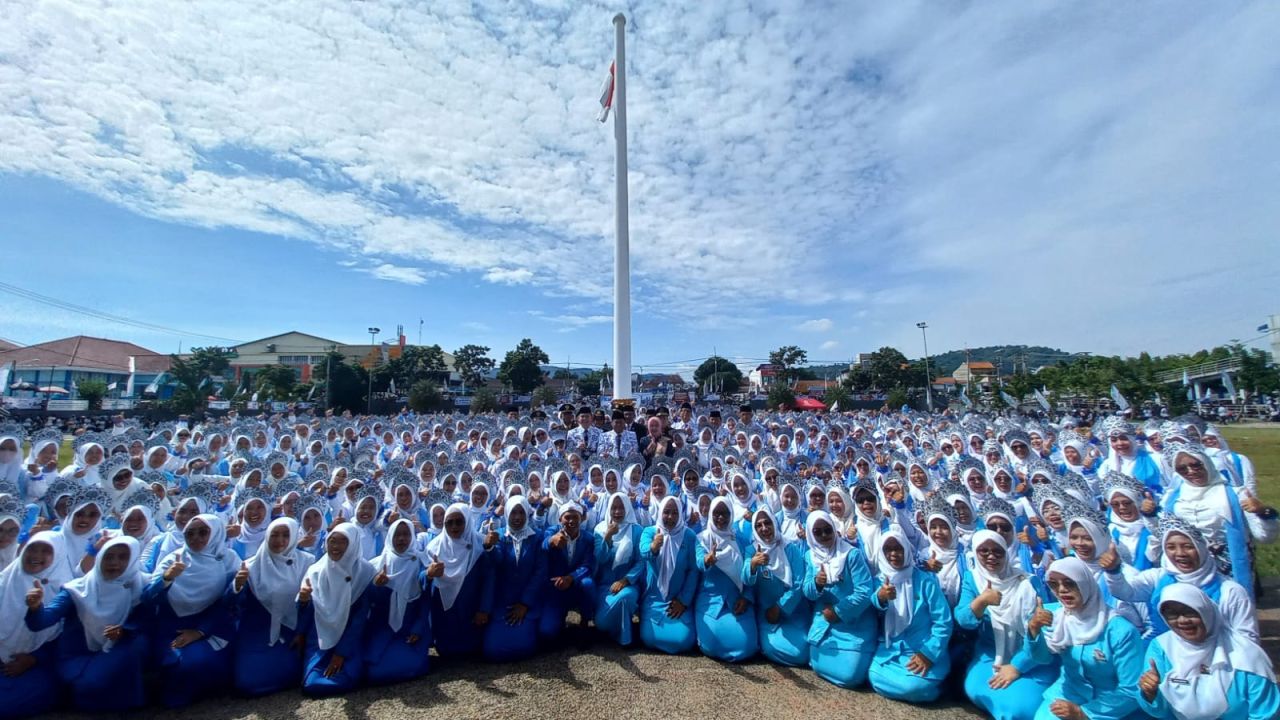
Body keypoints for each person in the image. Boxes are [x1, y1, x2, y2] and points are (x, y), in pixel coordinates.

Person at [24, 536, 149, 712]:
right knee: (87, 683)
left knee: (135, 646)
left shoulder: (142, 584)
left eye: (122, 557)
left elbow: (146, 620)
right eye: (108, 556)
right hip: (79, 654)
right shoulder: (77, 589)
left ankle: (126, 698)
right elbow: (41, 622)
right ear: (99, 558)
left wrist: (125, 631)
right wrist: (36, 608)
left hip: (120, 646)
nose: (114, 563)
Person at [1026, 557, 1144, 720]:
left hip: (1113, 706)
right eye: (1053, 584)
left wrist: (1083, 713)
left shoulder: (1120, 631)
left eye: (1069, 583)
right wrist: (1034, 629)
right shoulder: (1055, 617)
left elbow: (1131, 690)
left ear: (1085, 584)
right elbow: (1042, 659)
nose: (1062, 590)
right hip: (1068, 693)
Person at [1138, 584, 1278, 720]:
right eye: (1172, 615)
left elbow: (1265, 713)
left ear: (1206, 611)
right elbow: (1159, 711)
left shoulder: (1246, 654)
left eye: (1189, 612)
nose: (1182, 620)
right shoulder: (1161, 647)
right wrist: (1150, 692)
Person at [955, 530, 1055, 720]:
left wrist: (1017, 666)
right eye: (984, 551)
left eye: (997, 551)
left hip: (1031, 655)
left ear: (1006, 553)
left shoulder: (1027, 582)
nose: (991, 556)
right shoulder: (973, 578)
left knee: (1019, 708)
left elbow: (1045, 630)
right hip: (990, 654)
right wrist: (981, 601)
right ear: (975, 552)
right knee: (976, 689)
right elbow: (964, 621)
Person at [146, 513, 240, 707]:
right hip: (172, 628)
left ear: (215, 533)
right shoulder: (174, 559)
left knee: (199, 661)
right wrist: (166, 579)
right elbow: (148, 598)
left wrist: (200, 631)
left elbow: (230, 604)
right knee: (177, 661)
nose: (196, 538)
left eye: (203, 532)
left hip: (213, 626)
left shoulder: (228, 560)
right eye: (190, 533)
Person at [868, 528, 953, 702]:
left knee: (913, 686)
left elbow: (943, 622)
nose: (893, 554)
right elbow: (873, 609)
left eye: (898, 548)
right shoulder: (879, 580)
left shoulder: (925, 581)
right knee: (874, 675)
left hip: (922, 648)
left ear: (906, 550)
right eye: (888, 549)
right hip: (892, 649)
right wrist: (880, 598)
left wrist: (928, 654)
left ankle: (936, 687)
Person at [230, 517, 309, 696]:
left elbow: (314, 606)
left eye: (286, 535)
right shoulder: (250, 566)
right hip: (257, 632)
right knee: (247, 682)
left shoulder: (306, 562)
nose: (279, 540)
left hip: (292, 631)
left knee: (291, 671)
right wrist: (237, 586)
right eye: (274, 535)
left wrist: (302, 631)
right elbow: (233, 605)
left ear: (294, 537)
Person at [298, 522, 376, 696]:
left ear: (353, 544)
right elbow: (309, 611)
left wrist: (341, 652)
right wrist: (303, 601)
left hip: (351, 639)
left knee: (346, 677)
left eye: (343, 542)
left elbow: (360, 618)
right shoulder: (316, 571)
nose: (336, 546)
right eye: (332, 541)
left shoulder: (365, 572)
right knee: (312, 684)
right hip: (320, 638)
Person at [802, 510, 876, 689]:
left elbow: (865, 591)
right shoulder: (810, 556)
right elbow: (807, 592)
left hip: (854, 623)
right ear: (810, 535)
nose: (824, 535)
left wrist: (838, 611)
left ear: (834, 529)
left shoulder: (851, 554)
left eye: (827, 530)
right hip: (825, 623)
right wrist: (817, 584)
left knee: (850, 674)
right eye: (817, 532)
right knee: (817, 664)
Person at [0, 532, 70, 719]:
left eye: (46, 551)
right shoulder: (5, 581)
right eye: (32, 549)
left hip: (38, 666)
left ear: (57, 556)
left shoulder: (66, 591)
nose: (36, 555)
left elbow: (69, 639)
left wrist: (34, 659)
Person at [364, 518, 431, 684]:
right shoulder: (377, 564)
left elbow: (425, 602)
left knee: (401, 666)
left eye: (406, 534)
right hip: (383, 628)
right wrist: (377, 586)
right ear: (390, 537)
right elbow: (370, 603)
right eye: (397, 535)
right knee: (372, 669)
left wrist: (418, 628)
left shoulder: (420, 561)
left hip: (410, 628)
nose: (401, 539)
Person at [743, 506, 810, 666]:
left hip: (793, 610)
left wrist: (780, 607)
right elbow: (746, 581)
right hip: (767, 613)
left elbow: (798, 583)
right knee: (780, 649)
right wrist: (753, 565)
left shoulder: (790, 548)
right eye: (759, 525)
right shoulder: (751, 550)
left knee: (804, 650)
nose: (764, 528)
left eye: (767, 523)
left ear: (774, 523)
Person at [694, 497, 758, 662]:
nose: (720, 517)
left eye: (725, 513)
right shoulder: (702, 539)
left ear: (731, 515)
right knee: (710, 645)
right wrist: (707, 560)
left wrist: (747, 597)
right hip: (711, 601)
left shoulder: (741, 540)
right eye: (716, 513)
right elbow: (699, 562)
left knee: (747, 646)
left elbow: (749, 571)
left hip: (738, 601)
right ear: (710, 514)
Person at [482, 496, 545, 662]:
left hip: (527, 603)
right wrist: (489, 547)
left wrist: (525, 603)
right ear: (507, 514)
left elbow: (540, 572)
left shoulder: (537, 537)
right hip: (503, 602)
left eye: (521, 513)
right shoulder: (500, 535)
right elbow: (497, 561)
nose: (517, 517)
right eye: (513, 513)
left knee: (525, 647)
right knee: (492, 650)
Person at [424, 503, 491, 658]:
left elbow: (488, 580)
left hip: (472, 612)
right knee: (448, 650)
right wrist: (429, 573)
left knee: (473, 648)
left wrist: (484, 609)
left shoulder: (480, 544)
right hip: (445, 616)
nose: (454, 527)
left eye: (459, 522)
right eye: (449, 522)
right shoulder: (433, 548)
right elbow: (424, 583)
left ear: (467, 522)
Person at [638, 496, 698, 654]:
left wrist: (684, 601)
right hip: (654, 598)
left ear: (680, 514)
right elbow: (643, 552)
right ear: (660, 512)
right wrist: (653, 547)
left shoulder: (689, 536)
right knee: (648, 638)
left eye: (675, 513)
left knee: (684, 640)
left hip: (677, 598)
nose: (670, 517)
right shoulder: (650, 531)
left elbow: (693, 571)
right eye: (666, 512)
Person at [592, 491, 645, 647]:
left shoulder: (637, 530)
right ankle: (615, 628)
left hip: (628, 584)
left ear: (628, 508)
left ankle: (625, 637)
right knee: (601, 623)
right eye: (614, 508)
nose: (617, 512)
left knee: (624, 598)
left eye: (621, 508)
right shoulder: (600, 529)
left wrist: (624, 581)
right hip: (605, 585)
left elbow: (641, 562)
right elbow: (600, 559)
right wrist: (608, 536)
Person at [538, 503, 596, 643]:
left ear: (581, 519)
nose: (571, 521)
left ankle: (585, 620)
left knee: (588, 584)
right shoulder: (552, 531)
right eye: (567, 517)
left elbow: (588, 565)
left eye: (575, 517)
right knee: (547, 632)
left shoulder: (588, 538)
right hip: (556, 587)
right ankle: (559, 618)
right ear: (560, 519)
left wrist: (571, 578)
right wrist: (551, 542)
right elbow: (542, 544)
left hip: (575, 585)